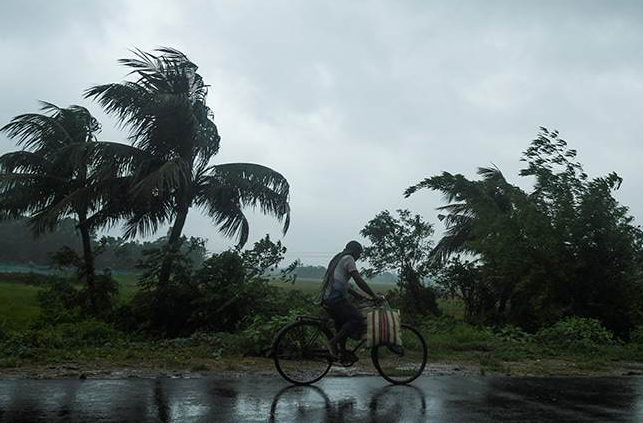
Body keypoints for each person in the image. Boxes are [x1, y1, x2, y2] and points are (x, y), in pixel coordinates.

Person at [320, 240, 381, 362]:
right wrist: (374, 295)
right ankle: (333, 343)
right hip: (335, 299)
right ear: (354, 251)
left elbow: (341, 282)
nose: (359, 257)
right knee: (356, 318)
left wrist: (356, 295)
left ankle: (342, 354)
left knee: (342, 326)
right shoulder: (349, 259)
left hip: (327, 298)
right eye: (359, 254)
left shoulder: (338, 259)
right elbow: (358, 280)